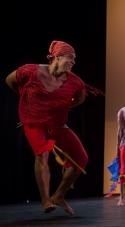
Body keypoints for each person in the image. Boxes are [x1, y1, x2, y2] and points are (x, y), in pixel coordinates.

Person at [5, 40, 104, 215]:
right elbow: (10, 80)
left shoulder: (74, 82)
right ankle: (46, 200)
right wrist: (27, 99)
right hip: (34, 121)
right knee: (42, 153)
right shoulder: (30, 71)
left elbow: (80, 98)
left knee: (81, 158)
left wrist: (64, 106)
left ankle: (59, 195)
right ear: (57, 57)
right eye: (70, 57)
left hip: (57, 124)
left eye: (75, 58)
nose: (73, 61)